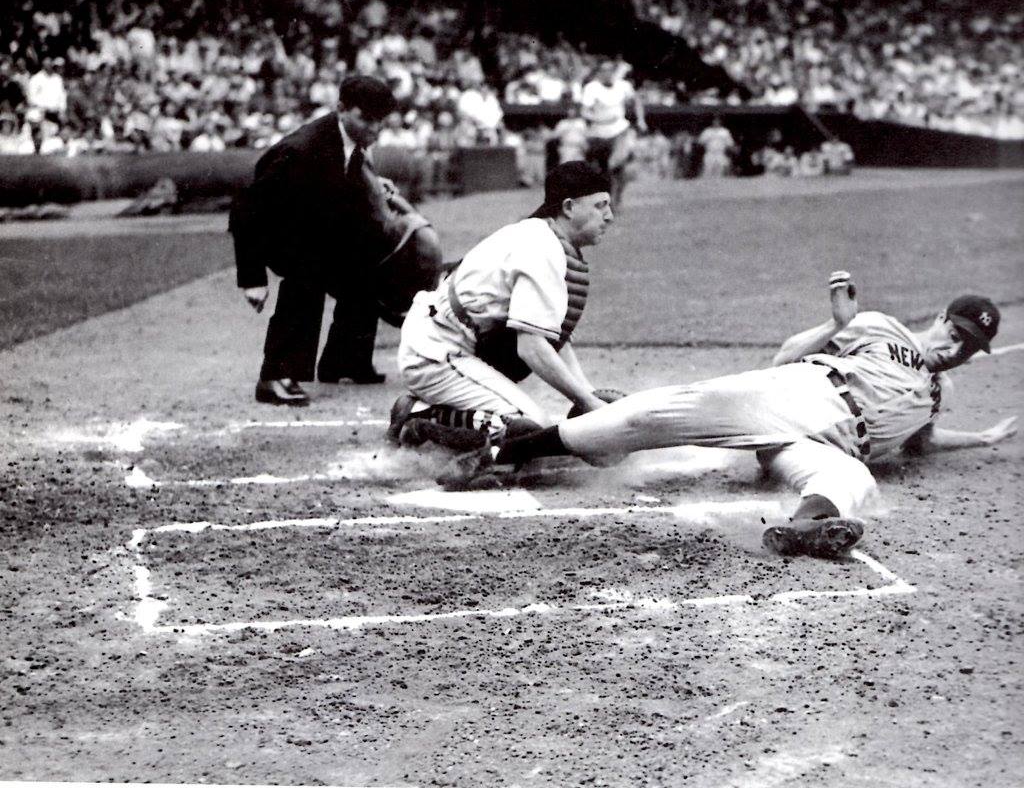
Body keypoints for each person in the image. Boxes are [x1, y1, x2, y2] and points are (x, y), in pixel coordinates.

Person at [452, 272, 1017, 557]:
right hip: (804, 392)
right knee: (663, 415)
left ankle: (807, 527)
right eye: (957, 334)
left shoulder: (935, 394)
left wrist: (983, 438)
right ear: (942, 318)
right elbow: (784, 357)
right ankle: (515, 448)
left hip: (828, 448)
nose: (958, 349)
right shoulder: (881, 327)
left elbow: (924, 443)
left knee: (854, 478)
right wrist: (835, 326)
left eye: (970, 347)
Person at [388, 162, 617, 475]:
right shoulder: (542, 249)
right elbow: (532, 349)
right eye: (600, 205)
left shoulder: (544, 237)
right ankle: (420, 417)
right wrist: (589, 404)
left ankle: (439, 414)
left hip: (453, 343)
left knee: (534, 436)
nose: (609, 216)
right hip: (437, 352)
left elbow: (555, 339)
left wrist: (588, 395)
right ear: (569, 207)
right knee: (531, 433)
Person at [229, 75, 441, 406]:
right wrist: (252, 278)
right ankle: (275, 376)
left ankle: (344, 360)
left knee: (364, 268)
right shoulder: (302, 148)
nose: (374, 128)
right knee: (307, 278)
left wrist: (375, 185)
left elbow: (340, 179)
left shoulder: (351, 142)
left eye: (379, 121)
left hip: (317, 231)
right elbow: (246, 208)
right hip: (282, 236)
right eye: (366, 119)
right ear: (341, 109)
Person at [580, 60, 647, 210]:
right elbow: (585, 111)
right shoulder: (592, 88)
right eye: (604, 71)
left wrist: (641, 120)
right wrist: (599, 119)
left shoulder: (623, 86)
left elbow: (636, 100)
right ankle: (606, 198)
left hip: (620, 130)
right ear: (599, 73)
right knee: (601, 170)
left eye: (611, 71)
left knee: (616, 164)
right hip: (598, 134)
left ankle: (617, 197)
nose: (608, 74)